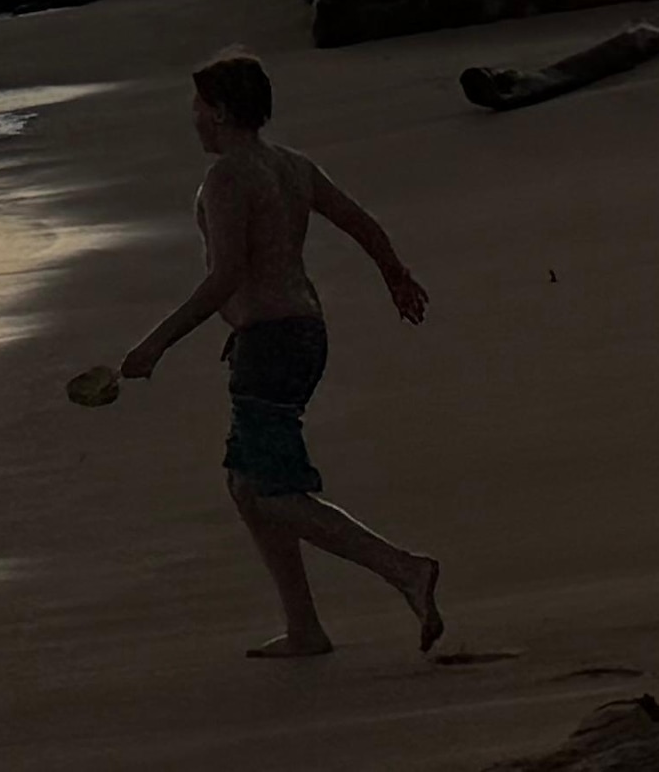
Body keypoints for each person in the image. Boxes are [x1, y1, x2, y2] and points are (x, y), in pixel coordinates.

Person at [115, 55, 445, 661]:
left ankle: (405, 570)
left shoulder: (227, 179)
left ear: (217, 111)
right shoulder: (290, 165)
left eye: (197, 106)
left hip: (272, 344)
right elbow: (361, 223)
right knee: (248, 486)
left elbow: (225, 277)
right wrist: (396, 277)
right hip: (301, 334)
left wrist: (155, 343)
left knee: (269, 491)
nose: (192, 118)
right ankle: (304, 628)